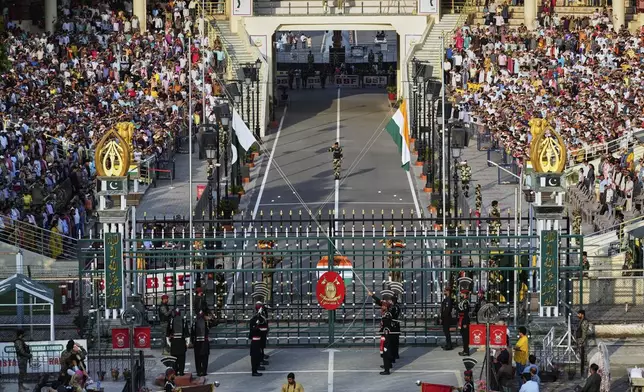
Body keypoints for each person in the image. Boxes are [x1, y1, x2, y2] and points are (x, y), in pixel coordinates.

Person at [168, 309, 189, 376]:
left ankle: (175, 372)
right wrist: (187, 343)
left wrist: (169, 343)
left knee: (174, 359)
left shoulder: (171, 321)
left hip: (174, 342)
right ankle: (181, 372)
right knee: (182, 359)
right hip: (181, 342)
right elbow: (186, 333)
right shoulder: (183, 321)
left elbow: (168, 333)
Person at [192, 310, 210, 377]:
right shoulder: (206, 323)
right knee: (205, 358)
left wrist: (192, 341)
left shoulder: (194, 323)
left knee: (198, 358)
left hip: (197, 343)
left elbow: (192, 333)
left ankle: (199, 372)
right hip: (205, 342)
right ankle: (204, 371)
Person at [379, 301, 394, 375]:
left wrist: (385, 336)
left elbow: (386, 326)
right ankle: (386, 366)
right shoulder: (385, 314)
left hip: (386, 335)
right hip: (384, 334)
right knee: (384, 352)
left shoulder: (387, 314)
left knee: (386, 352)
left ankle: (387, 370)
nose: (382, 307)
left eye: (383, 306)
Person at [249, 309, 265, 376]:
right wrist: (256, 324)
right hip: (255, 341)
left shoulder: (256, 320)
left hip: (257, 341)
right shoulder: (253, 321)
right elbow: (253, 331)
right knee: (254, 357)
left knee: (257, 355)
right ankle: (254, 371)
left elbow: (263, 321)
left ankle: (256, 368)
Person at [575, 309, 590, 375]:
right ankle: (582, 369)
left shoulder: (584, 322)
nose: (578, 315)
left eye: (579, 314)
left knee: (583, 355)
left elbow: (584, 333)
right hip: (580, 340)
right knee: (581, 355)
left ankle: (584, 370)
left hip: (582, 341)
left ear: (582, 314)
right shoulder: (581, 321)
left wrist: (582, 341)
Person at [458, 288, 471, 357]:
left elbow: (466, 313)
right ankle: (465, 350)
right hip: (462, 319)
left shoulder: (465, 302)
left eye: (462, 293)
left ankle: (466, 351)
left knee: (465, 336)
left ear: (465, 294)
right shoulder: (463, 301)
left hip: (465, 320)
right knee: (463, 335)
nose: (461, 294)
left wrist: (465, 323)